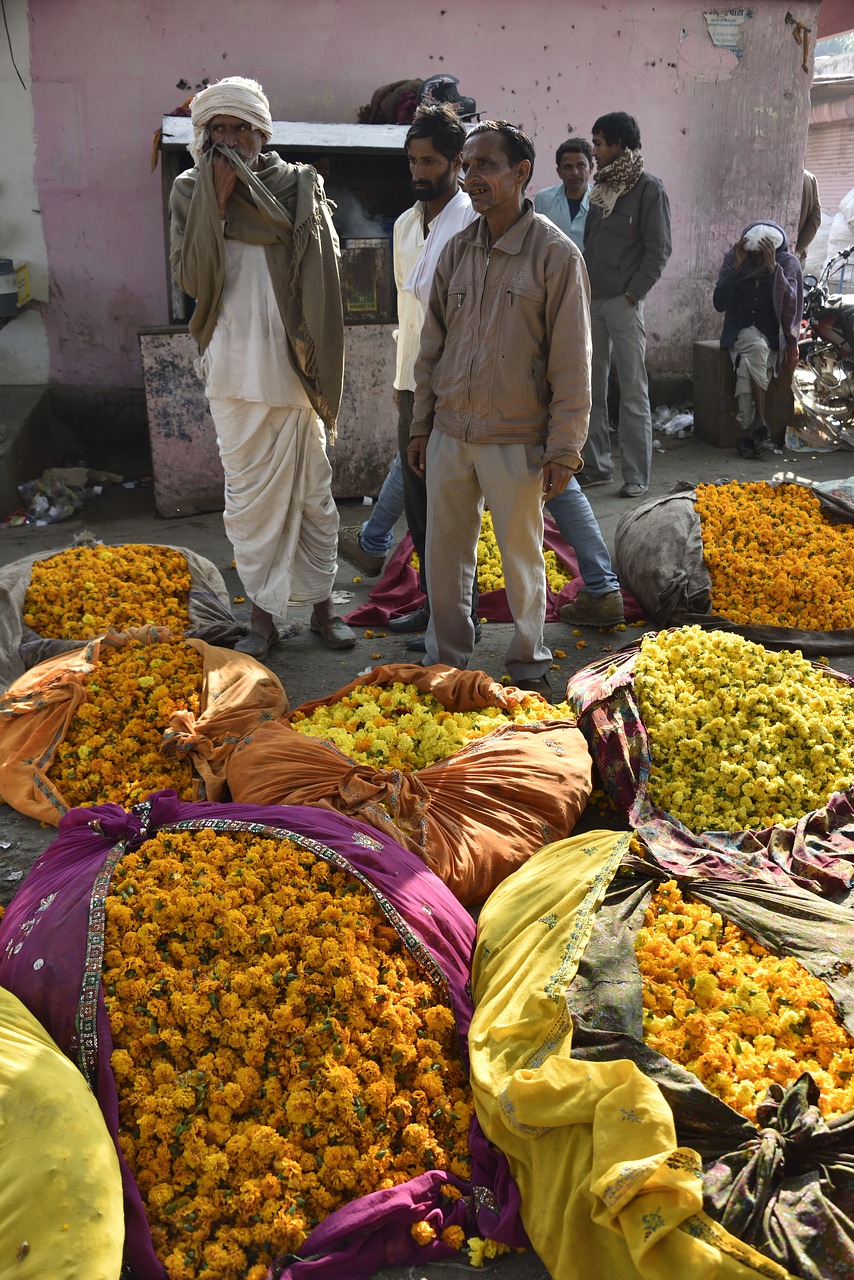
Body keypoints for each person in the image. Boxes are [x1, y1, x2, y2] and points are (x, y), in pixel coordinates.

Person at [169, 76, 355, 658]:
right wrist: (216, 206)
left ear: (260, 132)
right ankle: (263, 621)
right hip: (232, 368)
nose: (227, 140)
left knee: (314, 499)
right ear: (202, 135)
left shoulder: (298, 187)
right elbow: (192, 281)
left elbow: (325, 272)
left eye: (238, 128)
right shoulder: (188, 190)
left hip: (294, 365)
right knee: (248, 503)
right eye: (216, 129)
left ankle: (325, 610)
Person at [407, 121, 593, 698]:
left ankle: (529, 659)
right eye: (467, 166)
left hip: (516, 436)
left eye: (486, 165)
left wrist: (565, 445)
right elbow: (431, 347)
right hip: (451, 432)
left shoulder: (555, 256)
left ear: (521, 173)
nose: (472, 177)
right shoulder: (457, 250)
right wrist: (422, 424)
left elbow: (571, 361)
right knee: (444, 555)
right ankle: (449, 657)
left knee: (522, 556)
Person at [339, 104, 480, 641]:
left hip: (458, 385)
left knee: (454, 507)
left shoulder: (472, 222)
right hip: (411, 382)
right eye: (412, 161)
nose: (420, 172)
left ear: (456, 163)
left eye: (430, 161)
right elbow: (408, 310)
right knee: (419, 504)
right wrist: (406, 387)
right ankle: (430, 602)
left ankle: (453, 616)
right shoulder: (403, 226)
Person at [581, 111, 672, 499]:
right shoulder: (601, 187)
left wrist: (633, 294)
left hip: (623, 303)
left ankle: (636, 475)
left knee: (633, 392)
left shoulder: (650, 189)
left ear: (617, 145)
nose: (594, 151)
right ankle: (597, 467)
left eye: (599, 143)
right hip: (591, 303)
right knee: (590, 389)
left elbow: (659, 250)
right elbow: (589, 245)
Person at [713, 219, 803, 459]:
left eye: (761, 257)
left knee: (746, 365)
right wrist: (736, 268)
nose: (757, 261)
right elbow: (719, 303)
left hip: (772, 337)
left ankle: (745, 433)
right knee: (756, 346)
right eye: (753, 256)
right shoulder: (735, 260)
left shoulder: (787, 263)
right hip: (739, 332)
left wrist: (774, 271)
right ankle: (761, 425)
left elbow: (790, 308)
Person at [533, 137, 593, 250]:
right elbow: (535, 240)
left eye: (581, 165)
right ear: (559, 172)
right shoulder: (543, 199)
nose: (575, 173)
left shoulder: (602, 201)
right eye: (568, 167)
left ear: (591, 168)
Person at [795, 169, 821, 267]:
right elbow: (816, 218)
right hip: (796, 256)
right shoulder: (810, 178)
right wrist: (799, 249)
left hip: (769, 256)